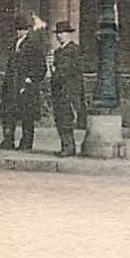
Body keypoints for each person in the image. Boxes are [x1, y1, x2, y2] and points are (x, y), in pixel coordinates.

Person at [0, 13, 48, 150]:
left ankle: (26, 142)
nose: (19, 31)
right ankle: (8, 140)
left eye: (22, 28)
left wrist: (30, 79)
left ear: (27, 30)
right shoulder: (13, 43)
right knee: (9, 113)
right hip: (12, 84)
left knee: (27, 115)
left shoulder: (33, 45)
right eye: (17, 28)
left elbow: (41, 67)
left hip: (26, 86)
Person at [49, 21, 86, 157]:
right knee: (60, 118)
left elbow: (70, 70)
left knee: (66, 118)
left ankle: (69, 147)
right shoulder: (59, 51)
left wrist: (56, 71)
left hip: (68, 90)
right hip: (59, 90)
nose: (60, 36)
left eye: (63, 33)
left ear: (69, 34)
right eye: (58, 33)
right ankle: (66, 146)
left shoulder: (74, 50)